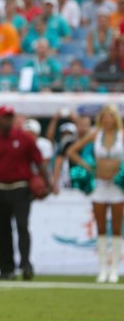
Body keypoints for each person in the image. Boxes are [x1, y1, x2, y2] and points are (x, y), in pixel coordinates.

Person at [0, 106, 50, 281]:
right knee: (1, 230)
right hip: (0, 189)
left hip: (21, 188)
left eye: (9, 117)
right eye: (4, 117)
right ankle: (6, 269)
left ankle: (26, 264)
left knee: (22, 227)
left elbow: (39, 162)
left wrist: (48, 185)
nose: (7, 120)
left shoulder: (24, 139)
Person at [67, 105, 124, 283]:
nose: (108, 120)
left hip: (117, 187)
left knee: (116, 228)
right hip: (99, 185)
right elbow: (71, 151)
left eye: (111, 117)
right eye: (105, 117)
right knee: (100, 228)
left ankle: (114, 268)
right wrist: (88, 166)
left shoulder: (121, 135)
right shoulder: (95, 135)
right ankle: (102, 269)